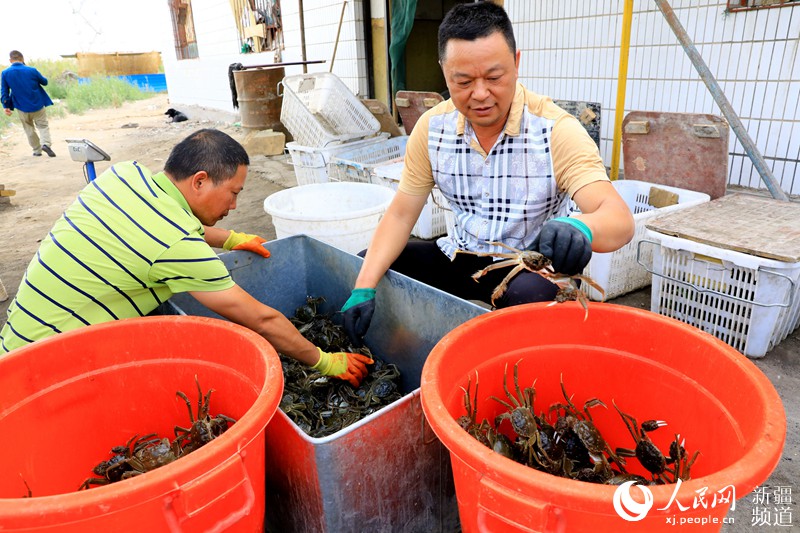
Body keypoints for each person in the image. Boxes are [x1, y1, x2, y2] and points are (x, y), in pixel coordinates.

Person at [341, 2, 635, 345]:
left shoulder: (556, 130)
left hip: (527, 268)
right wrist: (363, 286)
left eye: (494, 78)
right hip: (461, 254)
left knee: (532, 297)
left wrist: (581, 227)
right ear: (444, 72)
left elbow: (619, 220)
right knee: (371, 267)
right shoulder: (432, 128)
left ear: (517, 62)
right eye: (462, 81)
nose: (480, 95)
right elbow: (402, 214)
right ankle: (408, 351)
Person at [0, 128, 371, 386]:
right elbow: (261, 318)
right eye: (233, 193)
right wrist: (326, 361)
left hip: (16, 339)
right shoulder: (178, 245)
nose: (235, 205)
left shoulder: (123, 177)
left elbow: (161, 223)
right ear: (199, 180)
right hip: (47, 368)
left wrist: (229, 239)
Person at [1, 50, 56, 157]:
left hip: (21, 106)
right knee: (43, 126)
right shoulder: (32, 70)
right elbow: (44, 82)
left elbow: (4, 91)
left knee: (28, 128)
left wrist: (6, 106)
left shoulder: (5, 73)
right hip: (37, 104)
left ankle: (37, 150)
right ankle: (46, 144)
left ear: (10, 60)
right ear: (22, 59)